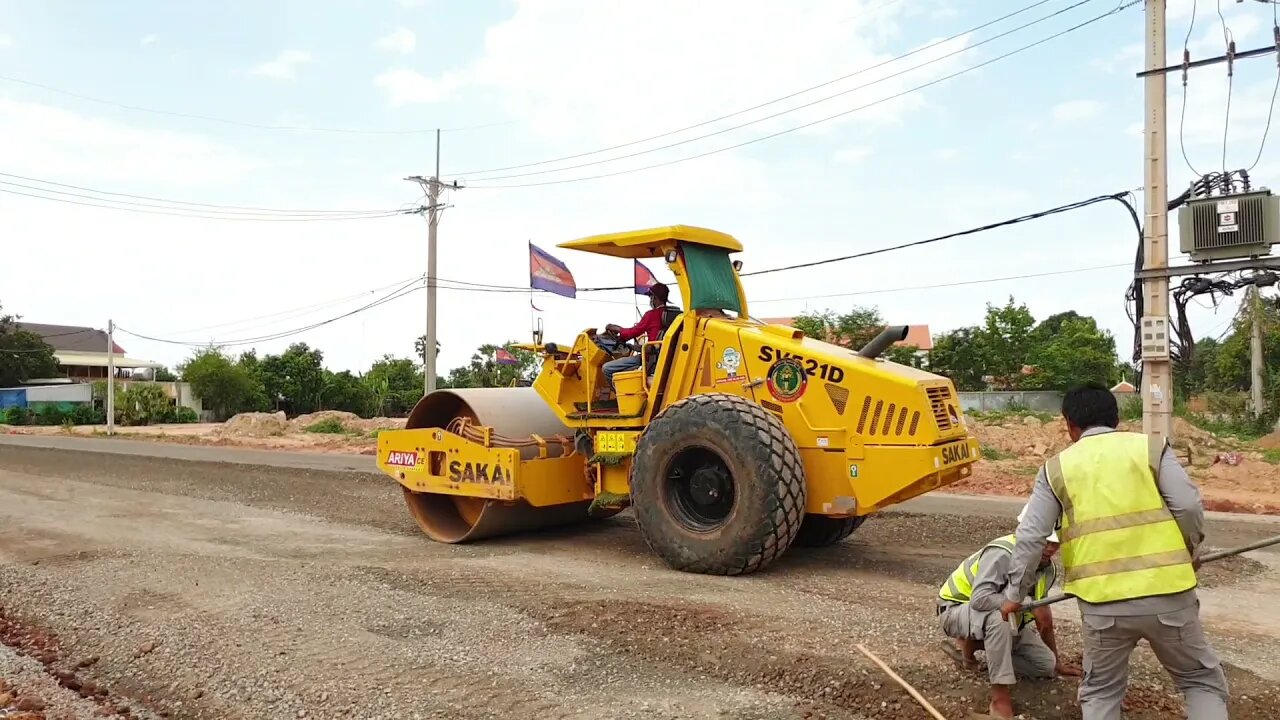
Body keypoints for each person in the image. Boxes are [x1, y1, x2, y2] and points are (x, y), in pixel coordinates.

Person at [998, 383, 1228, 720]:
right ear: (1117, 417)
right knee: (1200, 683)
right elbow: (1189, 507)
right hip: (1168, 594)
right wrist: (1190, 551)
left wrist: (1015, 592)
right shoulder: (1150, 448)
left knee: (1101, 693)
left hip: (1102, 604)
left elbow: (1031, 536)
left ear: (1068, 424)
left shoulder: (1055, 468)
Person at [936, 507, 1080, 719]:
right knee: (999, 617)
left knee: (1044, 665)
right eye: (1045, 541)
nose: (1050, 548)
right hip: (956, 611)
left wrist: (1056, 662)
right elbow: (980, 599)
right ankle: (999, 702)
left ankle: (978, 647)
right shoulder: (1003, 553)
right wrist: (1015, 601)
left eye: (1055, 543)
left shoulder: (1045, 567)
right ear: (1027, 532)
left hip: (1002, 620)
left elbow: (1044, 619)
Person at [597, 282, 679, 398]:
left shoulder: (652, 315)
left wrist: (615, 328)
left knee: (607, 368)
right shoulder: (674, 314)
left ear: (654, 298)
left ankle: (622, 398)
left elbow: (632, 332)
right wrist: (631, 346)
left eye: (651, 297)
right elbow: (654, 341)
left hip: (649, 359)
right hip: (661, 355)